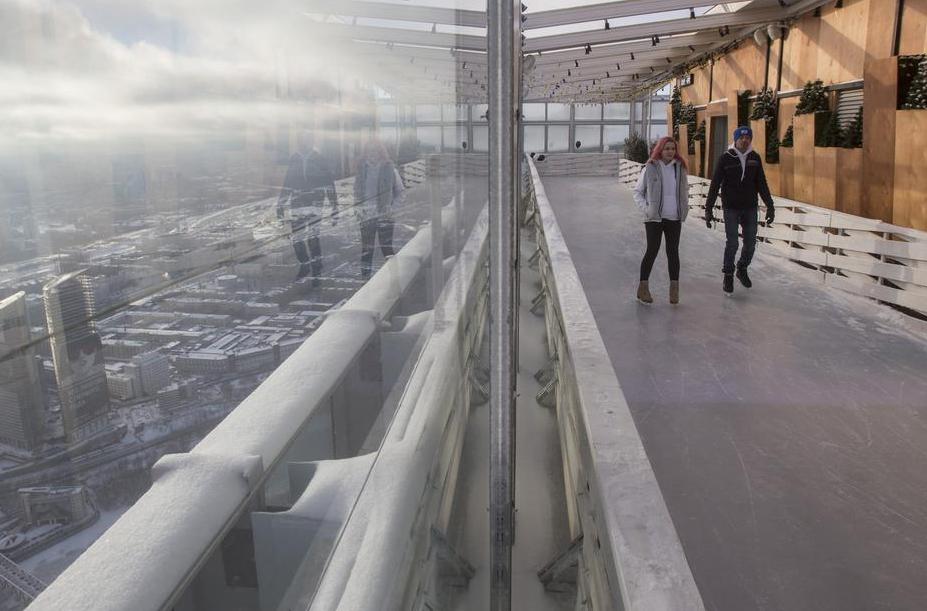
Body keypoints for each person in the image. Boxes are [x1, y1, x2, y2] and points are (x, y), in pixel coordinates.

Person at [705, 126, 775, 294]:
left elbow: (762, 184)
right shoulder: (725, 158)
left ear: (750, 140)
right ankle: (728, 273)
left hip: (750, 207)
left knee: (750, 243)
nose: (745, 140)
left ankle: (742, 268)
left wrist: (770, 206)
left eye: (747, 137)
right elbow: (715, 185)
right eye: (741, 137)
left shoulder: (755, 158)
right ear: (735, 139)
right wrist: (708, 209)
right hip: (731, 207)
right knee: (733, 242)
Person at [631, 136, 690, 305]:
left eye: (673, 149)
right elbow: (637, 192)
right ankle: (643, 288)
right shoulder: (650, 167)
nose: (670, 152)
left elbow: (684, 191)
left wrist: (683, 209)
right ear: (660, 150)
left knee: (673, 253)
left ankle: (674, 289)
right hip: (654, 219)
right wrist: (647, 210)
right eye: (667, 148)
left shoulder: (680, 168)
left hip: (674, 217)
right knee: (652, 250)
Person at [276, 130, 338, 283]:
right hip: (297, 203)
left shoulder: (319, 159)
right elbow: (287, 182)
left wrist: (334, 207)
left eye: (307, 140)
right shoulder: (294, 158)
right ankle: (304, 263)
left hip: (315, 204)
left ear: (311, 142)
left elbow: (329, 183)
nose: (304, 143)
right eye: (302, 140)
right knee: (296, 237)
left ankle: (316, 268)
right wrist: (281, 204)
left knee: (313, 237)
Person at [353, 140, 404, 279]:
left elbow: (400, 191)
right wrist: (357, 210)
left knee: (386, 248)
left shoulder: (390, 169)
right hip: (366, 216)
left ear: (381, 152)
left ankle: (395, 279)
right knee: (366, 250)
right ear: (366, 153)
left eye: (375, 151)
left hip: (385, 217)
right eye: (369, 151)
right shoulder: (362, 170)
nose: (372, 154)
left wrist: (392, 209)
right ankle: (365, 281)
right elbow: (356, 192)